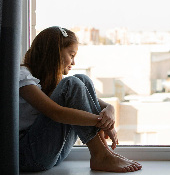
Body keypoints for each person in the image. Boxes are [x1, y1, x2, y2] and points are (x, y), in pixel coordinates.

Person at [19, 26, 142, 172]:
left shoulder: (49, 80)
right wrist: (102, 123)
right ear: (55, 53)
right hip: (28, 156)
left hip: (52, 154)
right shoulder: (23, 76)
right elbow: (56, 113)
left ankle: (104, 153)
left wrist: (110, 109)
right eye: (71, 55)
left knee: (81, 79)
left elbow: (93, 103)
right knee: (72, 83)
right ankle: (101, 156)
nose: (73, 62)